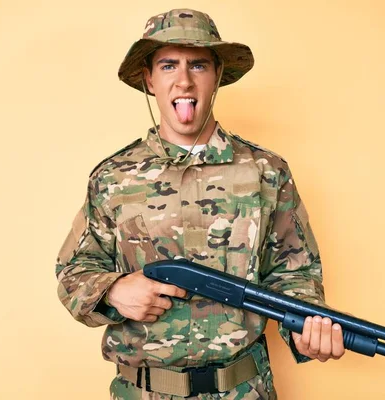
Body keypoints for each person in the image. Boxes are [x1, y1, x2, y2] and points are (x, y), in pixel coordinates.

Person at [56, 8, 345, 399]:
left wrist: (306, 328)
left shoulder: (265, 171)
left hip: (244, 391)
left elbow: (295, 272)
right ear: (149, 79)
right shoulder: (112, 178)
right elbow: (75, 270)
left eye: (199, 65)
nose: (184, 81)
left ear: (218, 76)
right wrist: (113, 290)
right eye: (168, 65)